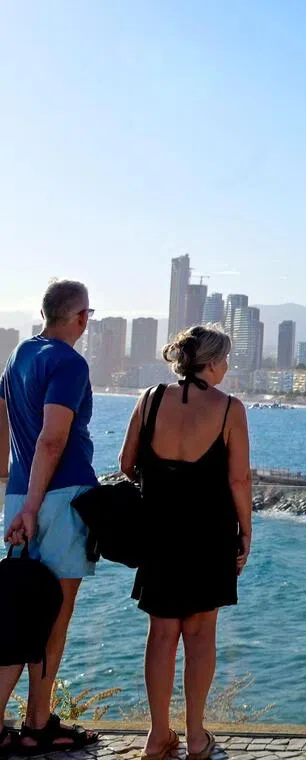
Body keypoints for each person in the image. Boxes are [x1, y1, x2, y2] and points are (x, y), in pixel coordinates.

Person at [118, 326, 252, 760]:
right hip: (209, 534)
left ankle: (158, 735)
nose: (227, 367)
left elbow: (126, 463)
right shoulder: (229, 408)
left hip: (159, 531)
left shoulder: (150, 399)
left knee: (161, 634)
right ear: (210, 362)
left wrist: (161, 483)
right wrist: (246, 532)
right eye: (225, 359)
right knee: (199, 634)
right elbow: (239, 479)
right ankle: (196, 737)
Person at [0, 281, 101, 754]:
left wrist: (16, 498)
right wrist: (34, 507)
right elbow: (53, 438)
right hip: (58, 498)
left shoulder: (18, 355)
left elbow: (4, 428)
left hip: (22, 491)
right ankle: (37, 723)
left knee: (17, 608)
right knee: (54, 616)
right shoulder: (69, 362)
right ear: (80, 317)